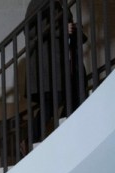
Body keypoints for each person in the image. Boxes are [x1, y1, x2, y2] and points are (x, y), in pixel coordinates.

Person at [25, 0, 86, 145]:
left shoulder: (60, 4)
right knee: (55, 99)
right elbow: (30, 30)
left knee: (73, 95)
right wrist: (61, 29)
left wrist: (74, 30)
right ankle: (30, 139)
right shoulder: (38, 2)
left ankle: (66, 131)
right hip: (47, 64)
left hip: (63, 64)